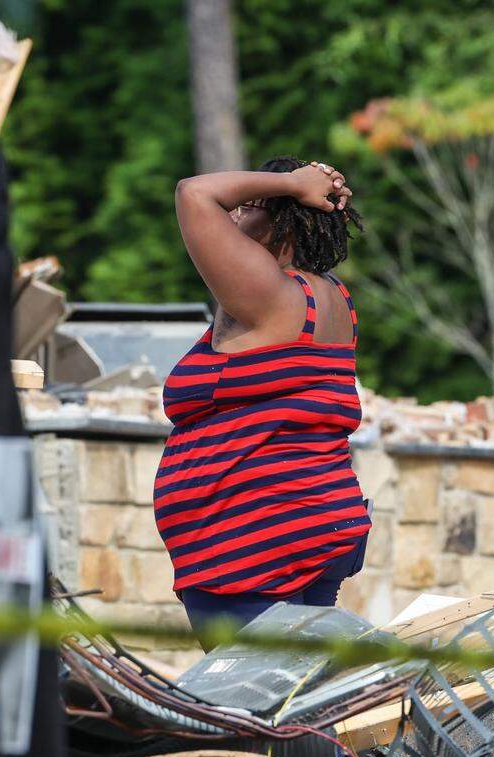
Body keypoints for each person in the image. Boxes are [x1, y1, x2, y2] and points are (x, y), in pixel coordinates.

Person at [154, 156, 372, 649]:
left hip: (255, 546)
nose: (232, 216)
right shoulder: (325, 295)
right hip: (301, 525)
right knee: (295, 696)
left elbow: (193, 193)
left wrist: (293, 183)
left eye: (248, 207)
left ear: (284, 219)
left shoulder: (272, 293)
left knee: (254, 706)